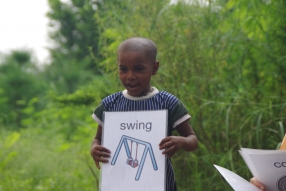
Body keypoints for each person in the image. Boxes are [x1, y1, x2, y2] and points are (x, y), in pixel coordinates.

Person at [90, 37, 198, 191]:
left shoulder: (168, 103)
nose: (130, 76)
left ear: (154, 68)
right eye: (123, 69)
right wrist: (94, 148)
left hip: (160, 185)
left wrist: (181, 142)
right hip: (119, 184)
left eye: (139, 69)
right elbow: (98, 139)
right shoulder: (110, 104)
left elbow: (192, 140)